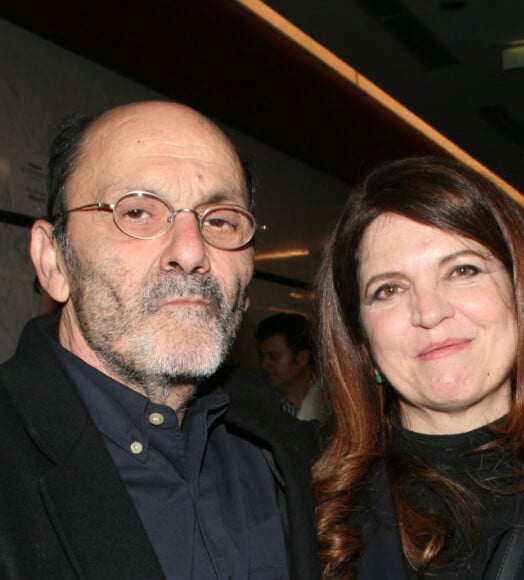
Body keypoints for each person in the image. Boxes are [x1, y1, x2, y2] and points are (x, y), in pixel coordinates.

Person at [0, 100, 320, 579]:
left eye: (220, 220)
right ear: (53, 262)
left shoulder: (280, 445)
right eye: (138, 212)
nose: (191, 251)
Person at [312, 156, 524, 579]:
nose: (430, 312)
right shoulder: (314, 517)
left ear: (522, 291)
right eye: (389, 289)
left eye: (462, 269)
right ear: (361, 337)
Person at [255, 312, 324, 421]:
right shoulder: (261, 407)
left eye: (273, 357)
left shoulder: (334, 402)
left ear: (302, 358)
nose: (264, 364)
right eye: (261, 356)